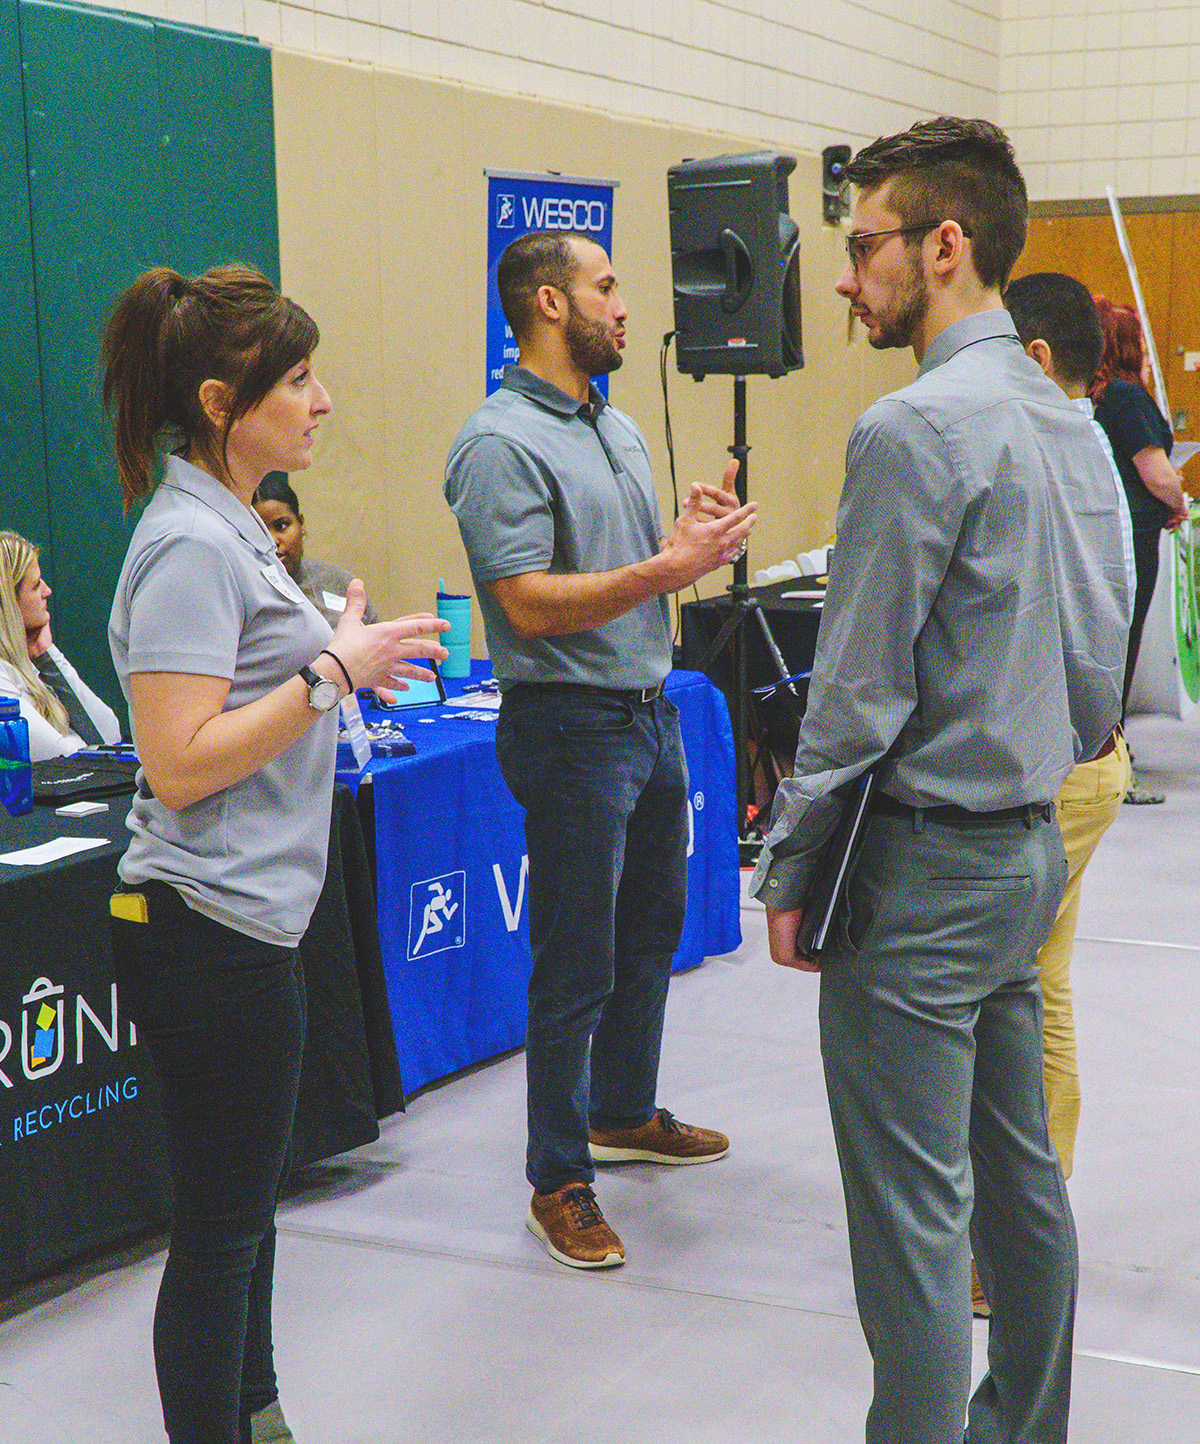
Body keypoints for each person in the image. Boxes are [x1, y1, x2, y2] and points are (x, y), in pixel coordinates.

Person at [753, 120, 1128, 1444]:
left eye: (862, 247)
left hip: (920, 870)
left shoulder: (910, 430)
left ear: (944, 245)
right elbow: (1101, 686)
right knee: (1018, 1183)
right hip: (1026, 848)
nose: (846, 279)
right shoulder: (1068, 423)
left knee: (913, 1224)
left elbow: (855, 699)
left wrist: (792, 872)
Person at [102, 263, 448, 1444]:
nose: (324, 400)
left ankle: (257, 1417)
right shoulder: (189, 545)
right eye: (297, 379)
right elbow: (179, 760)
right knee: (219, 1227)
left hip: (252, 924)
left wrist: (335, 653)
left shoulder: (234, 525)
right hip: (206, 930)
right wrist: (331, 673)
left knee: (247, 1212)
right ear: (219, 401)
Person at [444, 230, 755, 1270]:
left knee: (647, 931)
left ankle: (623, 1112)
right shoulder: (498, 444)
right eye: (606, 286)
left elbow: (624, 566)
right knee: (574, 959)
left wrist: (684, 534)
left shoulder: (611, 425)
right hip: (571, 725)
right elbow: (526, 603)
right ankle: (557, 1176)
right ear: (546, 304)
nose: (625, 306)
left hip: (648, 710)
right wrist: (668, 570)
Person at [1002, 272, 1134, 1202]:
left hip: (1057, 773)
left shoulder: (1050, 461)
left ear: (1039, 361)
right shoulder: (1089, 454)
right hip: (1089, 763)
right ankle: (1031, 1218)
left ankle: (1012, 1231)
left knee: (1005, 1002)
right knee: (1041, 990)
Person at [1090, 296, 1187, 803]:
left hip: (1116, 533)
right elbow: (1155, 473)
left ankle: (1113, 750)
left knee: (1114, 647)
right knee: (1123, 648)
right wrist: (1180, 503)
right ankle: (1113, 760)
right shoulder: (1129, 398)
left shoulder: (1103, 399)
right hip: (1135, 538)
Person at [0, 529, 122, 760]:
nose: (47, 591)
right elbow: (62, 758)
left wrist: (49, 656)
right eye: (35, 586)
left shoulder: (32, 663)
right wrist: (77, 743)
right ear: (8, 604)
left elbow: (109, 736)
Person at [252, 473, 380, 627]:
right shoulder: (246, 592)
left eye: (282, 526)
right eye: (259, 531)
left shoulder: (338, 582)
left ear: (301, 523)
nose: (272, 540)